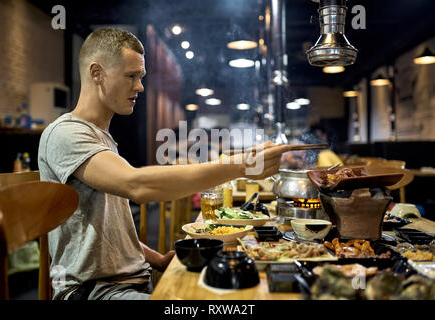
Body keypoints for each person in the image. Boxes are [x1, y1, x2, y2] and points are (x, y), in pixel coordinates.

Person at [38, 27, 289, 300]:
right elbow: (137, 185)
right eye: (131, 76)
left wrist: (157, 259)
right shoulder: (65, 133)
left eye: (141, 77)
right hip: (92, 293)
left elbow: (105, 231)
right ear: (96, 73)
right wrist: (241, 165)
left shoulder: (102, 138)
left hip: (128, 284)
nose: (140, 86)